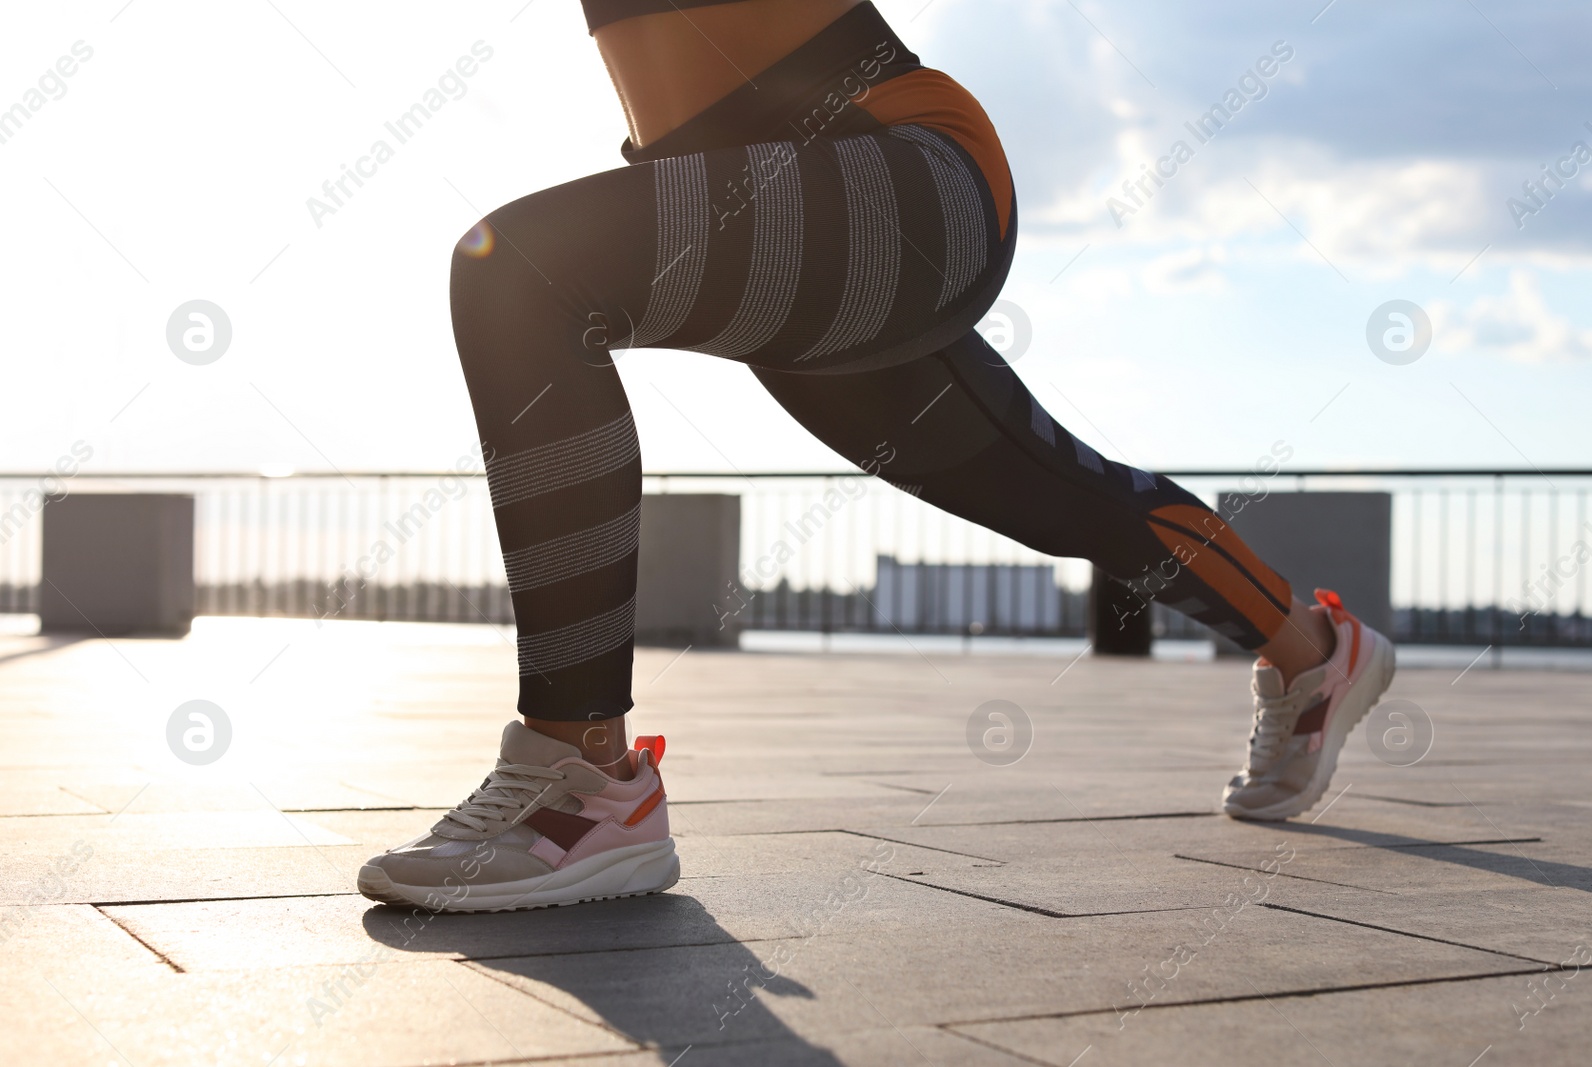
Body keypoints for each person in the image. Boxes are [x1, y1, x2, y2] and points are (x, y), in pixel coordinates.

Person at [357, 0, 1395, 912]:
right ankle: (1311, 647)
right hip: (765, 201)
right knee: (1045, 487)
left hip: (899, 170)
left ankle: (585, 777)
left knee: (520, 272)